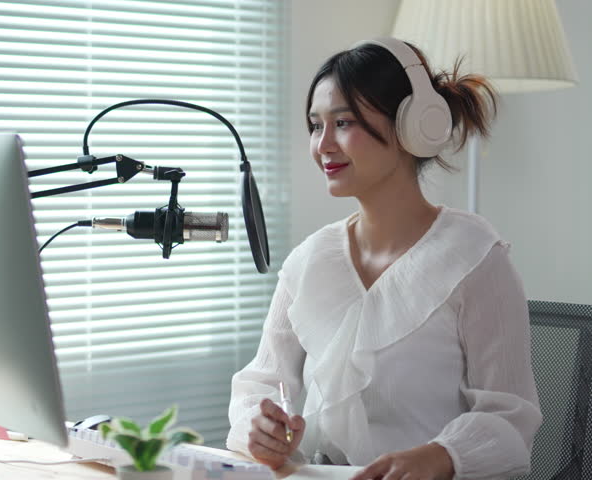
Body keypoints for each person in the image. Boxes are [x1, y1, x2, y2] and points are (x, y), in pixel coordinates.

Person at [226, 37, 542, 480]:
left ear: (413, 126)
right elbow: (260, 382)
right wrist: (257, 427)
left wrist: (441, 457)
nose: (323, 145)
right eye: (316, 126)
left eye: (343, 122)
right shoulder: (310, 261)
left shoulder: (475, 259)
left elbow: (511, 418)